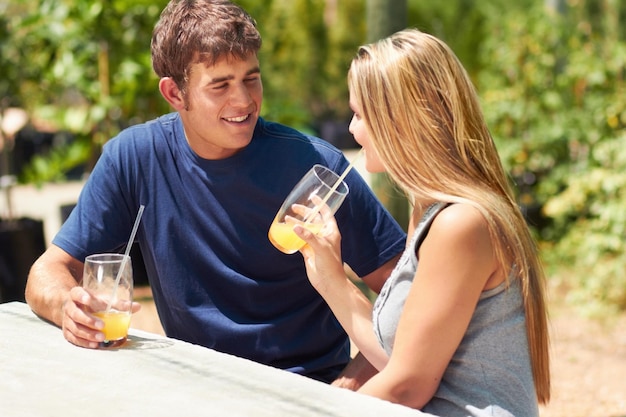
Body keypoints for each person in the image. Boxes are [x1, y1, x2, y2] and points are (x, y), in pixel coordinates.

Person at [24, 0, 406, 387]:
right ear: (175, 93)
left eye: (250, 78)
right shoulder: (133, 158)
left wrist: (349, 388)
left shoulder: (313, 167)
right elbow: (46, 272)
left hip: (308, 386)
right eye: (220, 85)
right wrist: (69, 308)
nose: (243, 101)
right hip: (195, 387)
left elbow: (410, 306)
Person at [293, 29, 551, 416]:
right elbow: (401, 361)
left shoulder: (462, 223)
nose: (351, 129)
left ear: (402, 120)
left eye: (360, 114)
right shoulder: (432, 213)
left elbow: (408, 387)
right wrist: (330, 276)